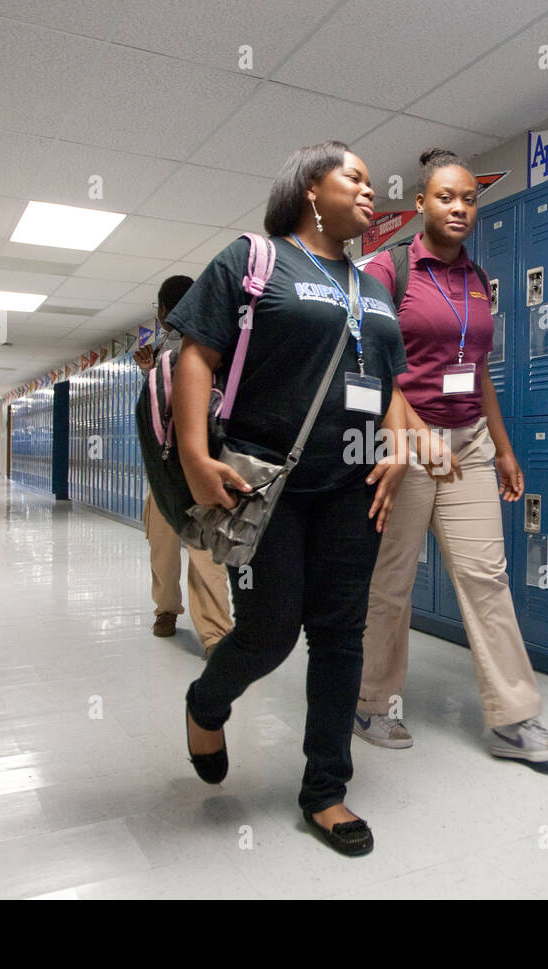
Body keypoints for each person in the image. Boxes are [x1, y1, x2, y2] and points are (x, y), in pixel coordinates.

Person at [168, 141, 411, 856]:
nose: (371, 190)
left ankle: (326, 790)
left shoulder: (373, 284)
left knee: (340, 635)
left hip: (353, 485)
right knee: (271, 629)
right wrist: (193, 453)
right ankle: (206, 703)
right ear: (311, 187)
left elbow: (388, 382)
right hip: (265, 478)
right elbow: (198, 352)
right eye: (355, 178)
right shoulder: (254, 260)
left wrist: (396, 443)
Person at [356, 148, 548, 762]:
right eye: (446, 197)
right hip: (404, 439)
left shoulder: (476, 281)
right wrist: (413, 432)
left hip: (468, 441)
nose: (459, 208)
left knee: (486, 576)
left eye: (469, 199)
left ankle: (514, 719)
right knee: (393, 581)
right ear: (420, 203)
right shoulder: (387, 269)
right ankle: (372, 703)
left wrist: (502, 447)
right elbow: (369, 361)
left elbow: (477, 373)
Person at [132, 276, 233, 654]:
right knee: (164, 545)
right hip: (165, 471)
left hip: (202, 466)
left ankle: (216, 634)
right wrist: (149, 371)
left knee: (205, 552)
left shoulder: (215, 344)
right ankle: (167, 610)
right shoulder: (162, 352)